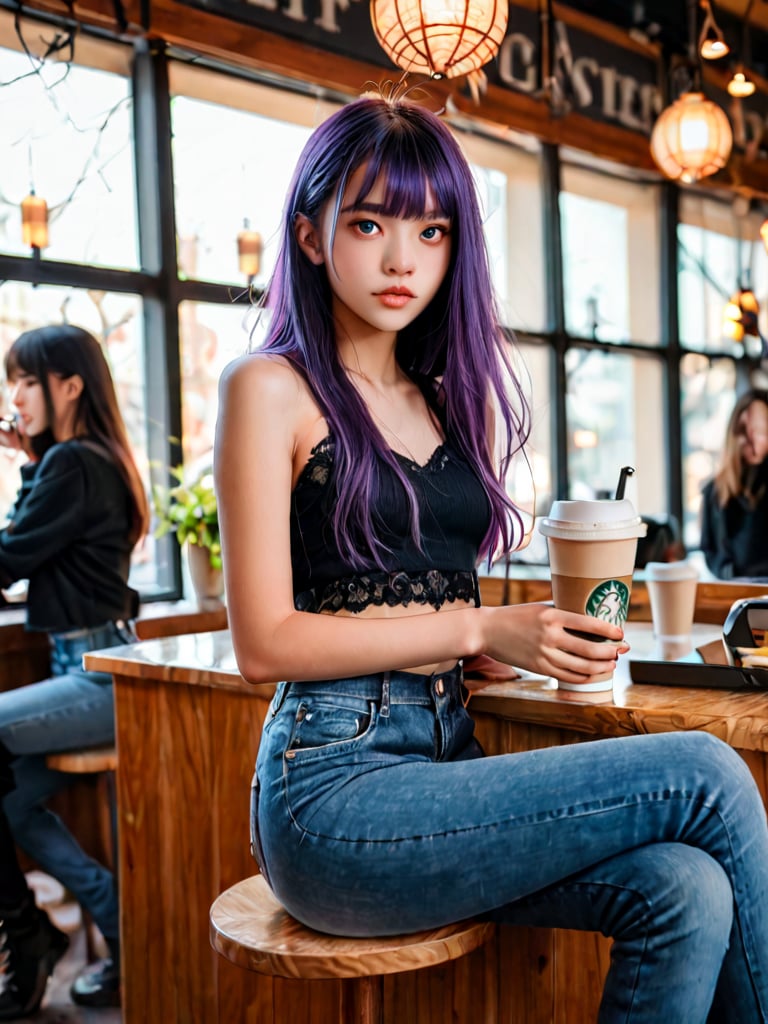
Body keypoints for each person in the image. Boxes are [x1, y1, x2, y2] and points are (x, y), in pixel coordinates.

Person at [214, 95, 768, 1023]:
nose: (402, 258)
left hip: (445, 756)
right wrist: (476, 620)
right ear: (311, 237)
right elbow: (263, 641)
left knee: (686, 888)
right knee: (706, 773)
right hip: (332, 790)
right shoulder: (269, 386)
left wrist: (486, 648)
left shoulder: (436, 398)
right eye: (368, 223)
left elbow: (406, 587)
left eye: (430, 231)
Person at [0, 324, 149, 1012]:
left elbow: (9, 556)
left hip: (98, 671)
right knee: (10, 797)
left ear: (69, 385)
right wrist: (32, 456)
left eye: (27, 381)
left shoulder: (74, 465)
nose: (15, 395)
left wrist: (35, 460)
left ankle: (36, 931)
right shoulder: (85, 460)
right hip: (94, 659)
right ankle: (102, 925)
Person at [700, 388, 768, 579]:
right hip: (735, 594)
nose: (750, 438)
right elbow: (709, 550)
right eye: (743, 429)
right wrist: (728, 574)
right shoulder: (714, 492)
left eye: (760, 430)